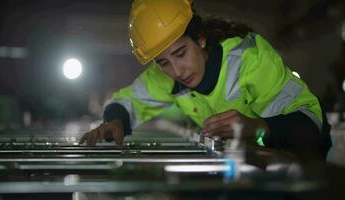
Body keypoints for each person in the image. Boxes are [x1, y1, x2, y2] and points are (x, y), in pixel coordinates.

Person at [79, 0, 331, 159]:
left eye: (180, 53)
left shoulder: (248, 59)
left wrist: (256, 127)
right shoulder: (165, 77)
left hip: (302, 156)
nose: (176, 71)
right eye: (163, 62)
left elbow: (310, 128)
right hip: (245, 162)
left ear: (200, 38)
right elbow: (128, 101)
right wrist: (115, 120)